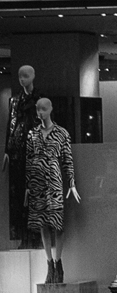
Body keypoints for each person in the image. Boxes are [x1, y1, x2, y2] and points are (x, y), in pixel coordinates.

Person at [24, 97, 78, 283]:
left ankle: (58, 261)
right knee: (43, 224)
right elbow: (29, 160)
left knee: (57, 223)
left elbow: (68, 160)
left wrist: (71, 183)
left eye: (44, 109)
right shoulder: (32, 134)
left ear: (51, 109)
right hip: (38, 183)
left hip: (54, 181)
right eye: (38, 109)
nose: (40, 113)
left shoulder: (62, 134)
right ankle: (49, 263)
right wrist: (28, 186)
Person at [1, 63, 39, 247]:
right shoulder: (14, 101)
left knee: (33, 192)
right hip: (17, 153)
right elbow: (11, 124)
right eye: (19, 76)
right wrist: (8, 150)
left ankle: (35, 235)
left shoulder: (39, 99)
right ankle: (24, 235)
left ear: (32, 76)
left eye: (25, 76)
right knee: (18, 195)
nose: (22, 79)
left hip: (33, 153)